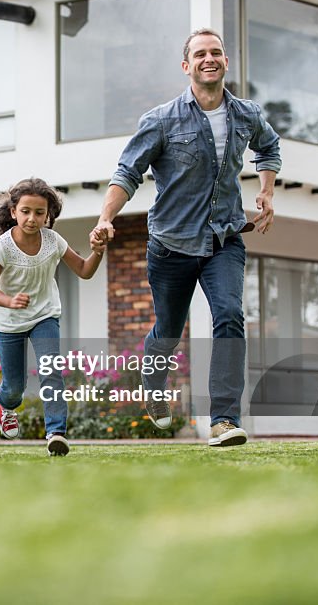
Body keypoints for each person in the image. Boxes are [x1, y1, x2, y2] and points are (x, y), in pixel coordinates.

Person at [91, 28, 281, 447]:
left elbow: (268, 148)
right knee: (169, 330)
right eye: (200, 54)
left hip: (224, 239)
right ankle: (155, 383)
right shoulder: (160, 120)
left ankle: (224, 420)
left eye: (216, 53)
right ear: (186, 66)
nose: (209, 59)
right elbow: (126, 172)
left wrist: (265, 190)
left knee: (230, 316)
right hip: (171, 244)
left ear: (226, 62)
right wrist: (106, 217)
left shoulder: (246, 114)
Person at [0, 177, 106, 457]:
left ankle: (56, 433)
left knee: (51, 372)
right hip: (8, 321)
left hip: (44, 315)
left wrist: (97, 252)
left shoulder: (53, 240)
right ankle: (4, 403)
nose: (32, 218)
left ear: (48, 214)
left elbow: (85, 271)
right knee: (15, 388)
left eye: (40, 212)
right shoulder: (3, 247)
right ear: (14, 212)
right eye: (25, 211)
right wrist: (10, 300)